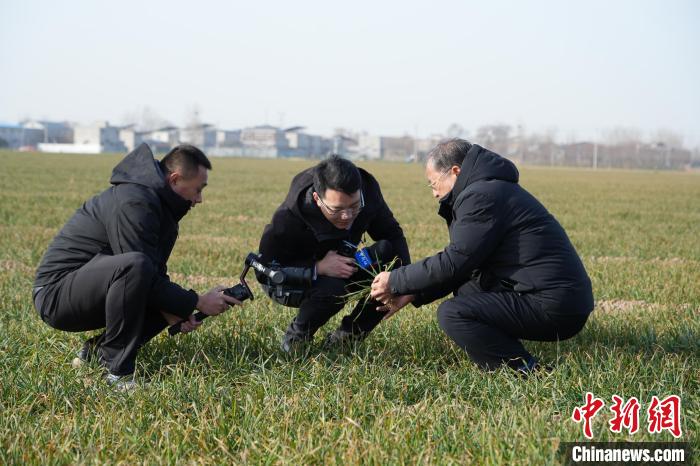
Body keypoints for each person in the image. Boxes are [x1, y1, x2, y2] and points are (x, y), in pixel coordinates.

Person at [370, 139, 593, 374]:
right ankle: (504, 350)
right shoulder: (490, 188)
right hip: (563, 299)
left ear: (455, 172)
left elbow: (456, 261)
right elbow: (468, 265)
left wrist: (395, 281)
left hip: (555, 306)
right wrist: (414, 291)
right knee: (469, 291)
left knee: (453, 313)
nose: (435, 193)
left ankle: (527, 370)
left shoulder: (481, 195)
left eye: (433, 183)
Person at [33, 143, 240, 389]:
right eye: (197, 189)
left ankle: (97, 352)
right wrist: (196, 301)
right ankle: (117, 374)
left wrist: (179, 308)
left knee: (166, 298)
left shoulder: (161, 212)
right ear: (175, 179)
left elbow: (153, 277)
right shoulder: (135, 202)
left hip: (90, 288)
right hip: (55, 295)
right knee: (138, 268)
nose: (199, 199)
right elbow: (137, 269)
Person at [257, 155, 411, 352]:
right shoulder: (288, 218)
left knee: (392, 261)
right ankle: (296, 340)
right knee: (333, 288)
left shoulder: (368, 192)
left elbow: (392, 235)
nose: (346, 216)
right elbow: (265, 270)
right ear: (317, 199)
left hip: (344, 265)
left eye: (354, 206)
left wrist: (404, 283)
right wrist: (318, 268)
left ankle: (348, 337)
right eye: (336, 210)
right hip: (291, 279)